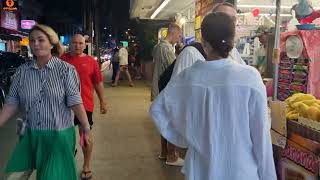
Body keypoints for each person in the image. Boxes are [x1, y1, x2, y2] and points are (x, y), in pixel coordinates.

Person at [150, 12, 277, 180]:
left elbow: (158, 109)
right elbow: (261, 137)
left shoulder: (189, 76)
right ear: (233, 41)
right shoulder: (250, 77)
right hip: (240, 171)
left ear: (204, 43)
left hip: (200, 170)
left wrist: (185, 138)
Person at [0, 24, 92, 180]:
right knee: (33, 173)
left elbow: (75, 101)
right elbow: (12, 101)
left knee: (52, 176)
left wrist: (86, 128)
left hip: (58, 134)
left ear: (52, 43)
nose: (36, 44)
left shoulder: (66, 70)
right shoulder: (22, 71)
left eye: (41, 40)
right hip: (31, 134)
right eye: (32, 40)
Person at [60, 34, 107, 180]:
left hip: (85, 105)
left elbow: (98, 83)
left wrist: (102, 101)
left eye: (80, 43)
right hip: (63, 106)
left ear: (85, 45)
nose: (77, 46)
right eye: (74, 43)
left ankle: (86, 166)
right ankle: (66, 163)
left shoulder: (90, 62)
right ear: (70, 44)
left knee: (85, 137)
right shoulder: (61, 60)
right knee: (64, 138)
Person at [151, 23, 184, 166]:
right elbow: (174, 69)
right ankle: (172, 156)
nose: (180, 37)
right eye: (179, 34)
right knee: (171, 122)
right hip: (166, 89)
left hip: (158, 88)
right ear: (174, 33)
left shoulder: (158, 47)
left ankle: (164, 152)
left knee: (164, 121)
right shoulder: (166, 48)